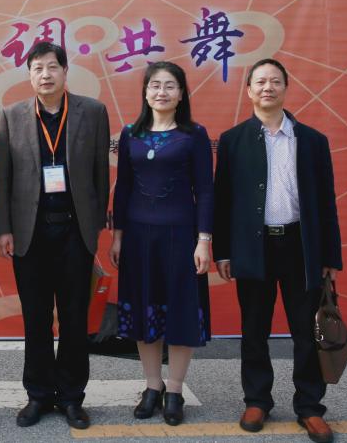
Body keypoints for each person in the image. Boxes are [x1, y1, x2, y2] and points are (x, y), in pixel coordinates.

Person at [214, 58, 343, 443]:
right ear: (249, 91)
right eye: (260, 82)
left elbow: (327, 202)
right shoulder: (233, 140)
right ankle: (257, 400)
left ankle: (310, 407)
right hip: (253, 248)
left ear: (286, 88)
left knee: (306, 331)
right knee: (254, 328)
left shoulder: (312, 140)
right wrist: (223, 251)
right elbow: (223, 201)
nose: (267, 88)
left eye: (275, 81)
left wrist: (330, 256)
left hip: (300, 246)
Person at [0, 42, 111, 430]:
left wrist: (93, 226)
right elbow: (3, 178)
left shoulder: (92, 112)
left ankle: (72, 397)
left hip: (75, 231)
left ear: (65, 71)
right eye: (37, 68)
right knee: (36, 318)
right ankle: (39, 395)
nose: (45, 75)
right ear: (29, 75)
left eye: (52, 67)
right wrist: (4, 228)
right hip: (31, 232)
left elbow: (100, 174)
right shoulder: (12, 115)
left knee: (75, 319)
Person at [109, 61, 213, 425]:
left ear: (181, 94)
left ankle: (175, 390)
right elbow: (123, 187)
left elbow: (205, 190)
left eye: (170, 86)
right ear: (145, 91)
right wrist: (118, 236)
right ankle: (152, 386)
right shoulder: (131, 133)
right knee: (144, 311)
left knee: (181, 312)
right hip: (139, 238)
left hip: (181, 237)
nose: (161, 92)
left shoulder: (194, 134)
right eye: (155, 85)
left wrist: (203, 240)